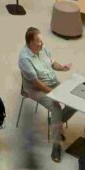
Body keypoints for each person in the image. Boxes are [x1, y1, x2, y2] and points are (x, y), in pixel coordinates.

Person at [0, 87, 77, 170]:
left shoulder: (24, 98)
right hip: (27, 149)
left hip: (23, 147)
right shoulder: (31, 103)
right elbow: (40, 125)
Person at [17, 26, 75, 160]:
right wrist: (55, 93)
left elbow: (53, 63)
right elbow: (36, 83)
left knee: (74, 100)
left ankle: (55, 122)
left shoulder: (43, 49)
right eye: (39, 41)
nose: (42, 44)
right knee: (56, 107)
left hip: (53, 83)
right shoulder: (24, 59)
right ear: (31, 42)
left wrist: (62, 67)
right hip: (35, 89)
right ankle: (56, 145)